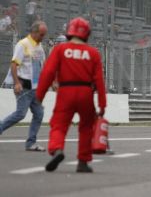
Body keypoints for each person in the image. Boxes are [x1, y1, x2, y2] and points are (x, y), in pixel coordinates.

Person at [36, 17, 107, 173]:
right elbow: (100, 81)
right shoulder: (93, 53)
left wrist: (39, 95)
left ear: (70, 31)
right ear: (87, 34)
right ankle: (83, 162)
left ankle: (57, 149)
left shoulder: (60, 50)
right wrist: (102, 104)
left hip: (65, 92)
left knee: (59, 124)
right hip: (86, 93)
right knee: (87, 128)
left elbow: (48, 73)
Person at [0, 21, 47, 152]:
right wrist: (16, 83)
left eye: (44, 35)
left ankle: (31, 143)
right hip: (24, 87)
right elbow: (14, 64)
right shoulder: (23, 44)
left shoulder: (39, 46)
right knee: (20, 114)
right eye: (42, 34)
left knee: (39, 113)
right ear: (35, 32)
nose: (43, 37)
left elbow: (43, 65)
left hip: (36, 89)